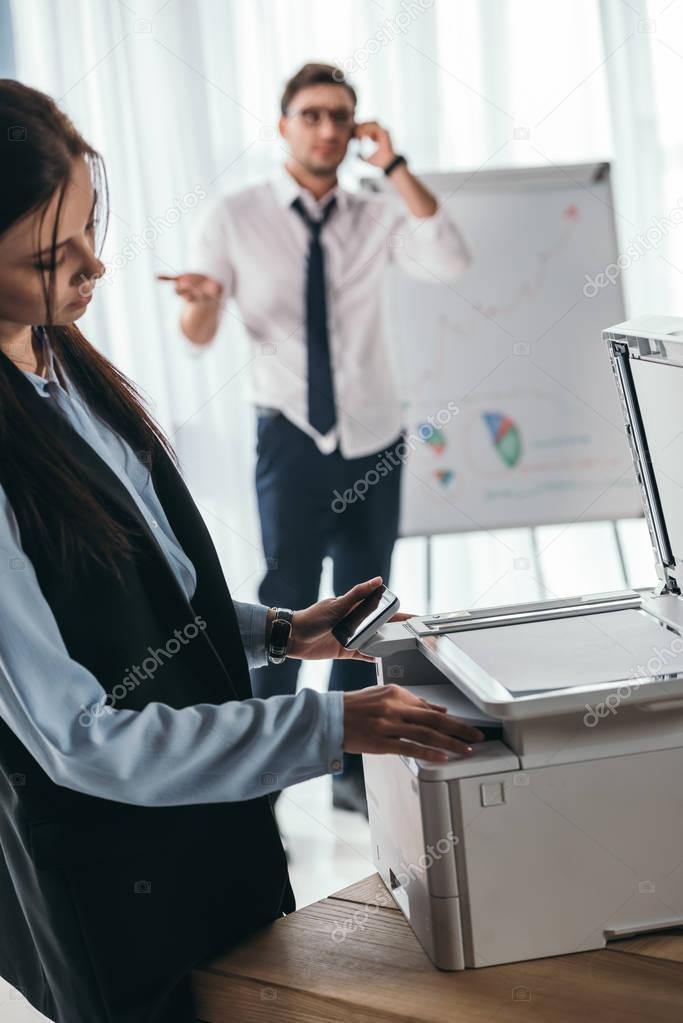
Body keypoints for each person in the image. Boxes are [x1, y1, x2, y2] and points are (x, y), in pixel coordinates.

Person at [0, 79, 483, 1023]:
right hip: (115, 886)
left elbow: (138, 599)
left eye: (93, 226)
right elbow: (77, 740)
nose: (96, 266)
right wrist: (325, 729)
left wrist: (274, 631)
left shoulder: (62, 364)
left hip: (212, 839)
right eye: (52, 255)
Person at [164, 62, 470, 816]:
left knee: (366, 600)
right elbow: (196, 333)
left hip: (373, 433)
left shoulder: (376, 210)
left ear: (354, 127)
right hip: (290, 437)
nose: (327, 129)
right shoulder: (235, 215)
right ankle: (261, 769)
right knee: (284, 602)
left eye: (340, 116)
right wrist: (204, 304)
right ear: (283, 125)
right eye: (311, 115)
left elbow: (450, 256)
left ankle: (350, 770)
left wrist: (393, 165)